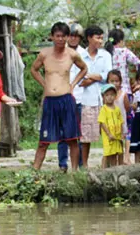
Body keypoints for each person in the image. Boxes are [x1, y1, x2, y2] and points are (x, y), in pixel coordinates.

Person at [30, 22, 88, 171]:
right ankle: (33, 173)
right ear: (52, 37)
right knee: (43, 141)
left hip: (66, 99)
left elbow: (84, 68)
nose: (60, 39)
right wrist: (45, 85)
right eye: (57, 36)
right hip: (50, 101)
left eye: (63, 36)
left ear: (68, 37)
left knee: (72, 139)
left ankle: (75, 173)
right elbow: (34, 70)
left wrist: (73, 84)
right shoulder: (44, 54)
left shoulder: (72, 54)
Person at [105, 29, 140, 163]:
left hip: (108, 93)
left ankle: (112, 157)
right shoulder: (124, 51)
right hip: (125, 92)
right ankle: (126, 156)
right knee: (127, 125)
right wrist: (138, 82)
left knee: (111, 124)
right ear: (120, 40)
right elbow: (139, 63)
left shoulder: (105, 53)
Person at [80, 26, 112, 168]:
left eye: (101, 37)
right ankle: (84, 165)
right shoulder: (80, 56)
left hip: (105, 99)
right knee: (85, 135)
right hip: (87, 99)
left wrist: (90, 77)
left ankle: (107, 164)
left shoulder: (105, 55)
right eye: (97, 37)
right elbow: (79, 79)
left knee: (109, 133)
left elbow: (108, 75)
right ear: (89, 38)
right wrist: (98, 77)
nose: (100, 40)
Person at [57, 22, 86, 172]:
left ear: (80, 38)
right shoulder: (60, 52)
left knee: (77, 134)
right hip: (62, 97)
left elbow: (86, 72)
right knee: (62, 134)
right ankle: (62, 164)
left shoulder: (84, 53)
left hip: (79, 97)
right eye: (71, 36)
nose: (74, 39)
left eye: (77, 36)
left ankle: (79, 164)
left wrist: (74, 84)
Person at [98, 83, 125, 168]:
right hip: (108, 136)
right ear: (103, 97)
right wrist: (109, 134)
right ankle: (103, 170)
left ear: (115, 96)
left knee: (117, 152)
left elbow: (120, 121)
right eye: (107, 95)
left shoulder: (117, 109)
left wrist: (121, 133)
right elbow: (102, 122)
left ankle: (115, 169)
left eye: (112, 95)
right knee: (107, 153)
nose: (110, 97)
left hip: (116, 135)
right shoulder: (104, 109)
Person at [107, 69, 129, 161]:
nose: (115, 83)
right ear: (108, 82)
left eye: (117, 81)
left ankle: (120, 163)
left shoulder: (123, 95)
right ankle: (111, 164)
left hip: (120, 123)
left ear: (120, 82)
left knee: (119, 144)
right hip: (109, 123)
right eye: (112, 81)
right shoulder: (106, 95)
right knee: (110, 144)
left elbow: (127, 108)